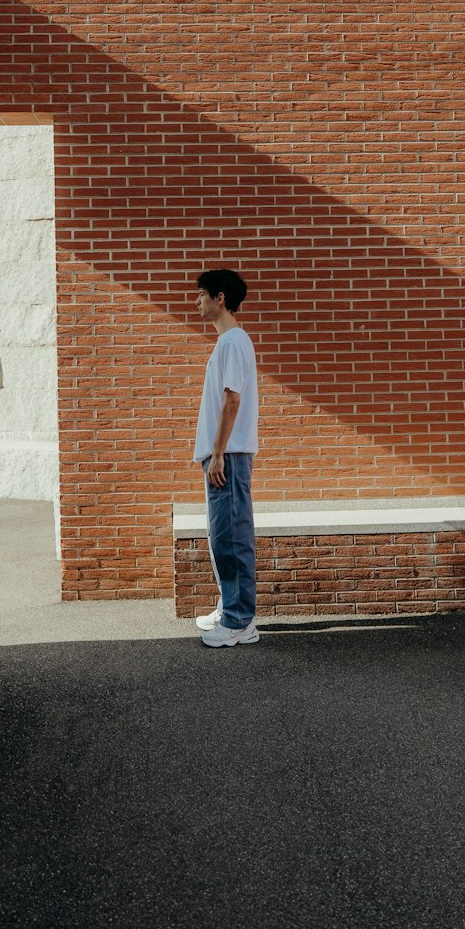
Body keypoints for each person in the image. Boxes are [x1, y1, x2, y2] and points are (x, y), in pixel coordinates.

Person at [192, 268, 259, 647]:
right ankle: (230, 608)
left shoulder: (233, 342)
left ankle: (238, 622)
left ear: (220, 298)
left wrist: (218, 453)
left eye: (202, 294)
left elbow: (232, 401)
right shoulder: (230, 342)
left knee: (231, 538)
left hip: (227, 457)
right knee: (222, 537)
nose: (196, 301)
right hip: (223, 456)